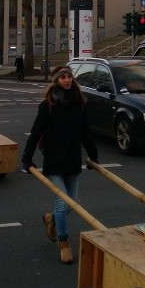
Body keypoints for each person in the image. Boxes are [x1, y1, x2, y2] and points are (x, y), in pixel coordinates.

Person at [20, 66, 98, 265]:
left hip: (73, 159)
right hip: (54, 159)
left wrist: (93, 156)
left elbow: (86, 132)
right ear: (56, 81)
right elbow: (36, 132)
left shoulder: (79, 103)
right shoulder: (48, 105)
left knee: (73, 202)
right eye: (63, 77)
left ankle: (51, 218)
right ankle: (64, 243)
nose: (67, 80)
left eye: (69, 76)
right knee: (63, 204)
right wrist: (27, 159)